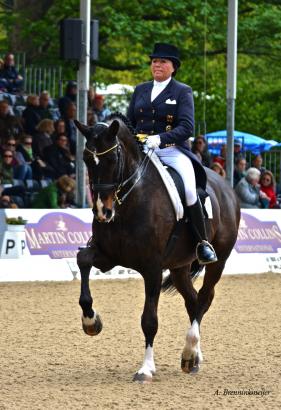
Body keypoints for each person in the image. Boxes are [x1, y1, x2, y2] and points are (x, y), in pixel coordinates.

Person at [127, 42, 217, 264]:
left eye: (162, 61)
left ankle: (202, 243)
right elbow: (129, 122)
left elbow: (187, 128)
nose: (157, 65)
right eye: (154, 61)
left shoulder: (182, 91)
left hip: (171, 151)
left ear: (173, 67)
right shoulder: (140, 89)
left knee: (188, 189)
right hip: (141, 152)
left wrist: (159, 139)